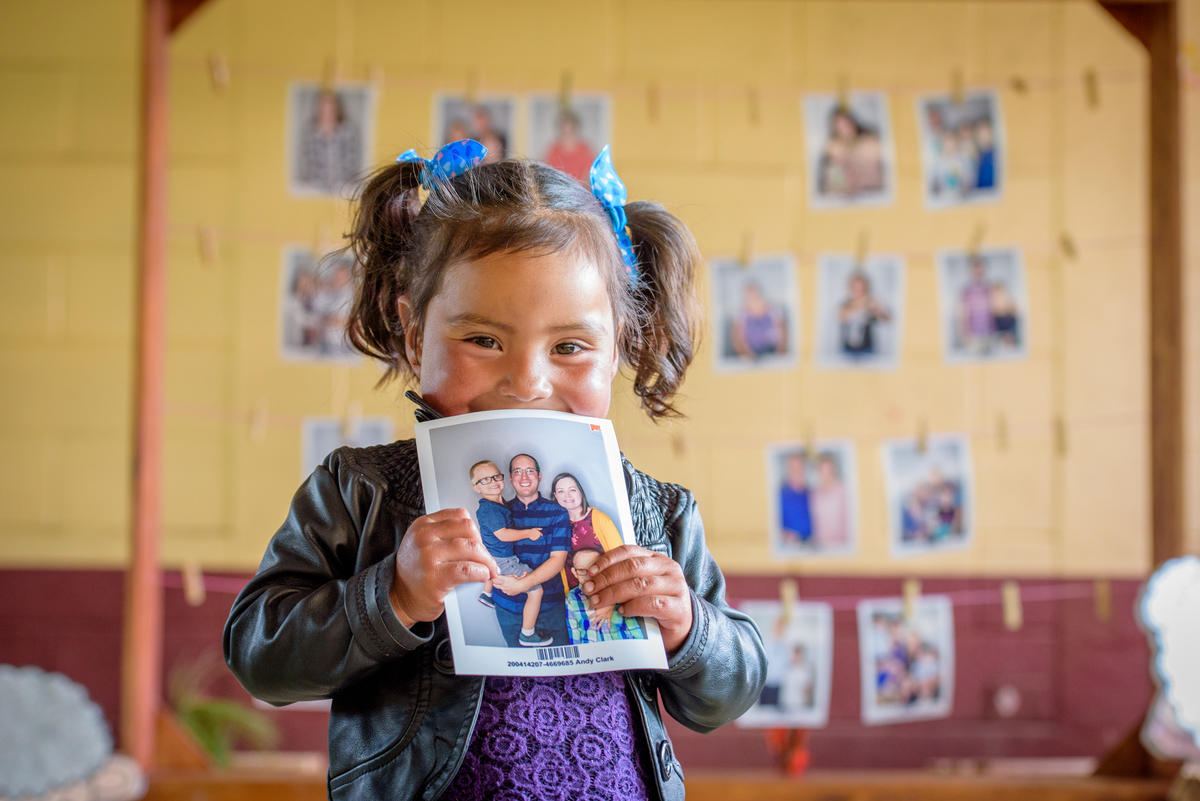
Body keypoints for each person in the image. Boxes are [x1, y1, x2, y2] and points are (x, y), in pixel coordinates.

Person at [223, 140, 767, 801]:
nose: (527, 381)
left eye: (569, 346)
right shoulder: (361, 491)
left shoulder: (657, 511)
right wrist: (391, 596)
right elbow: (261, 653)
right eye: (483, 339)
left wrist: (686, 626)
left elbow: (730, 690)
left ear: (618, 345)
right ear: (413, 330)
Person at [489, 453, 572, 647]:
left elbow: (557, 560)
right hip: (508, 607)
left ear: (539, 476)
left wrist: (522, 584)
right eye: (518, 471)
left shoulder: (558, 513)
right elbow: (491, 557)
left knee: (561, 671)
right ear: (511, 478)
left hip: (550, 607)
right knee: (522, 672)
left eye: (530, 471)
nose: (524, 477)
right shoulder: (499, 514)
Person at [467, 459, 549, 647]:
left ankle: (487, 595)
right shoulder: (489, 509)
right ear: (476, 487)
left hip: (493, 555)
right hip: (503, 559)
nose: (494, 481)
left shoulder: (497, 504)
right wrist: (528, 533)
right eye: (485, 480)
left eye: (496, 476)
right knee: (536, 590)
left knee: (492, 565)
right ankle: (527, 634)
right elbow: (503, 535)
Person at [552, 472, 623, 590]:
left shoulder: (601, 520)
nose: (567, 496)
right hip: (574, 598)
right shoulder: (556, 526)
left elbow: (620, 560)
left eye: (572, 490)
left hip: (605, 591)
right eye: (561, 491)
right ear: (555, 496)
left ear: (580, 491)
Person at [565, 547, 645, 644]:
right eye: (582, 571)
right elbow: (574, 632)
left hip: (626, 644)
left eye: (593, 569)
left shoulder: (618, 585)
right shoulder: (572, 598)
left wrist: (611, 602)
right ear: (574, 572)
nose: (589, 575)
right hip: (593, 652)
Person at [295, 87, 362, 194]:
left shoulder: (348, 131)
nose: (327, 112)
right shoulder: (310, 132)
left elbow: (351, 162)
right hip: (314, 188)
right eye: (324, 108)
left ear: (338, 109)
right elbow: (308, 162)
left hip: (343, 188)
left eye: (331, 108)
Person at [838, 271, 890, 358]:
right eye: (856, 289)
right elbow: (841, 317)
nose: (859, 292)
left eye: (862, 289)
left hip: (867, 349)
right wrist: (863, 304)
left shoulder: (872, 303)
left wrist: (877, 310)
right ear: (851, 289)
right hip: (847, 350)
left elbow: (887, 319)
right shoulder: (845, 304)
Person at [731, 280, 786, 360]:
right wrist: (748, 356)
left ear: (760, 294)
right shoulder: (741, 315)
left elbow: (782, 337)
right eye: (749, 297)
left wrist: (778, 357)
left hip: (771, 353)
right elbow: (738, 340)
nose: (752, 299)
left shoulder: (774, 311)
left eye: (754, 295)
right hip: (750, 356)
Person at [542, 107, 596, 183]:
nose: (567, 135)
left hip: (580, 191)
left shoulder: (584, 149)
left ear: (575, 130)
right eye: (564, 132)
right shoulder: (554, 149)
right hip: (558, 190)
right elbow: (547, 172)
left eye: (570, 131)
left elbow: (589, 174)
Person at [810, 452, 849, 548]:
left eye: (828, 470)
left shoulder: (842, 491)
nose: (825, 474)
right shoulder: (815, 493)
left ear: (833, 470)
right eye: (822, 470)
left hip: (840, 546)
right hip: (821, 546)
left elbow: (848, 519)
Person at [779, 452, 813, 545]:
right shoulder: (780, 497)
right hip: (791, 547)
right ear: (788, 471)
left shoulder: (812, 493)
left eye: (800, 468)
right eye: (794, 468)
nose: (797, 472)